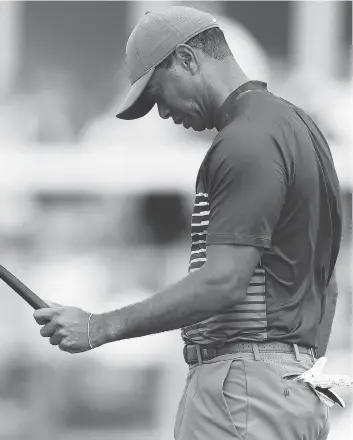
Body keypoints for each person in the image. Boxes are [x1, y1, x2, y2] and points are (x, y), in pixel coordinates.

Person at [34, 6, 343, 440]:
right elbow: (326, 284)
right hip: (292, 390)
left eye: (157, 93)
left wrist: (99, 326)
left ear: (187, 58)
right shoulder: (302, 131)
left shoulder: (245, 138)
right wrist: (291, 375)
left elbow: (223, 281)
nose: (161, 113)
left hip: (241, 391)